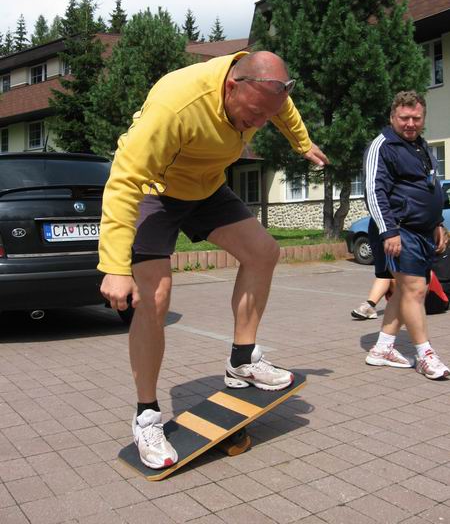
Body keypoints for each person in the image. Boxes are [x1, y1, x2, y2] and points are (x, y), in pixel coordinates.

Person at [98, 50, 329, 469]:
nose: (258, 124)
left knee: (264, 252)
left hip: (204, 188)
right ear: (231, 87)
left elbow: (282, 107)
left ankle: (242, 361)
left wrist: (302, 142)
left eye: (266, 117)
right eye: (253, 115)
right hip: (154, 189)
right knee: (155, 297)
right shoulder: (175, 104)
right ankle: (146, 415)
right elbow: (124, 181)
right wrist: (114, 266)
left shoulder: (264, 93)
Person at [363, 90, 449, 380]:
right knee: (415, 290)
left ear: (423, 119)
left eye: (416, 118)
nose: (411, 123)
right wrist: (389, 231)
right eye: (404, 118)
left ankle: (382, 348)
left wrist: (437, 222)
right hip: (400, 230)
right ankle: (425, 355)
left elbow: (429, 186)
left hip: (424, 231)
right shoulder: (383, 146)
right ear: (392, 117)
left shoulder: (420, 146)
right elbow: (374, 191)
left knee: (404, 291)